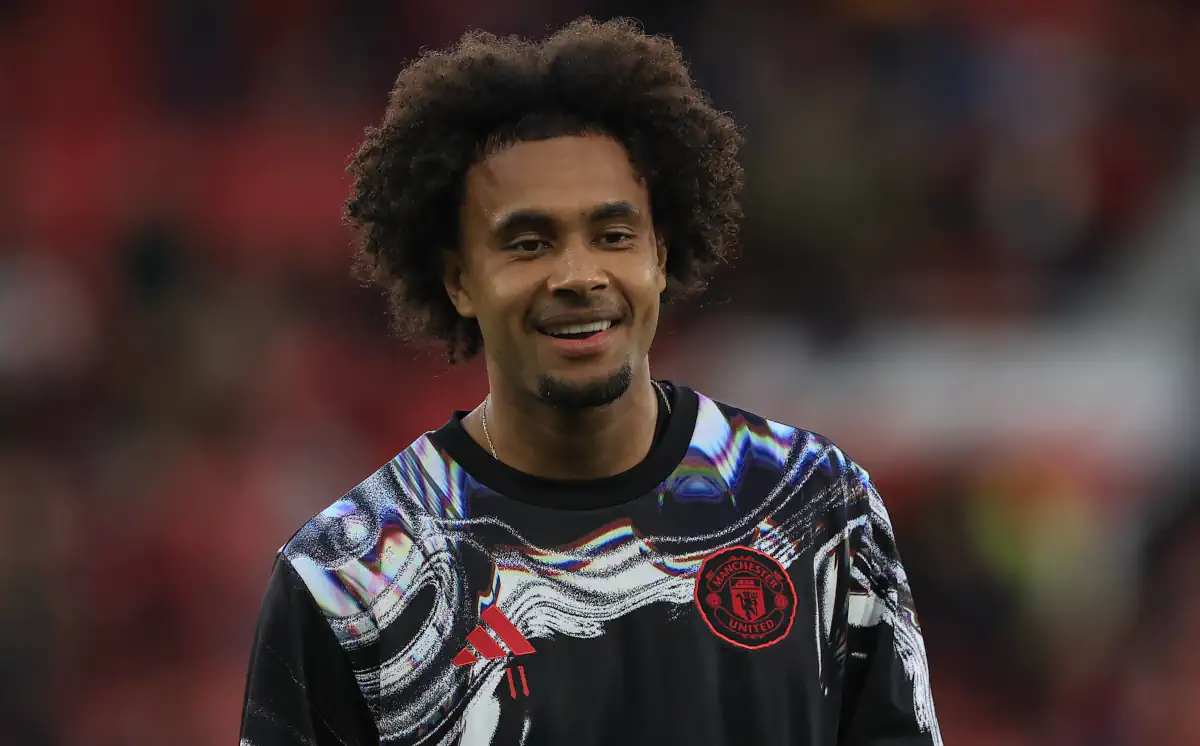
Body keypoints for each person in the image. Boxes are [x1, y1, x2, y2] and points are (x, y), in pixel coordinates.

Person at [239, 17, 942, 746]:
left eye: (613, 236)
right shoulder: (352, 577)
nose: (579, 275)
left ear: (659, 255)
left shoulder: (817, 508)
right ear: (458, 281)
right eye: (528, 243)